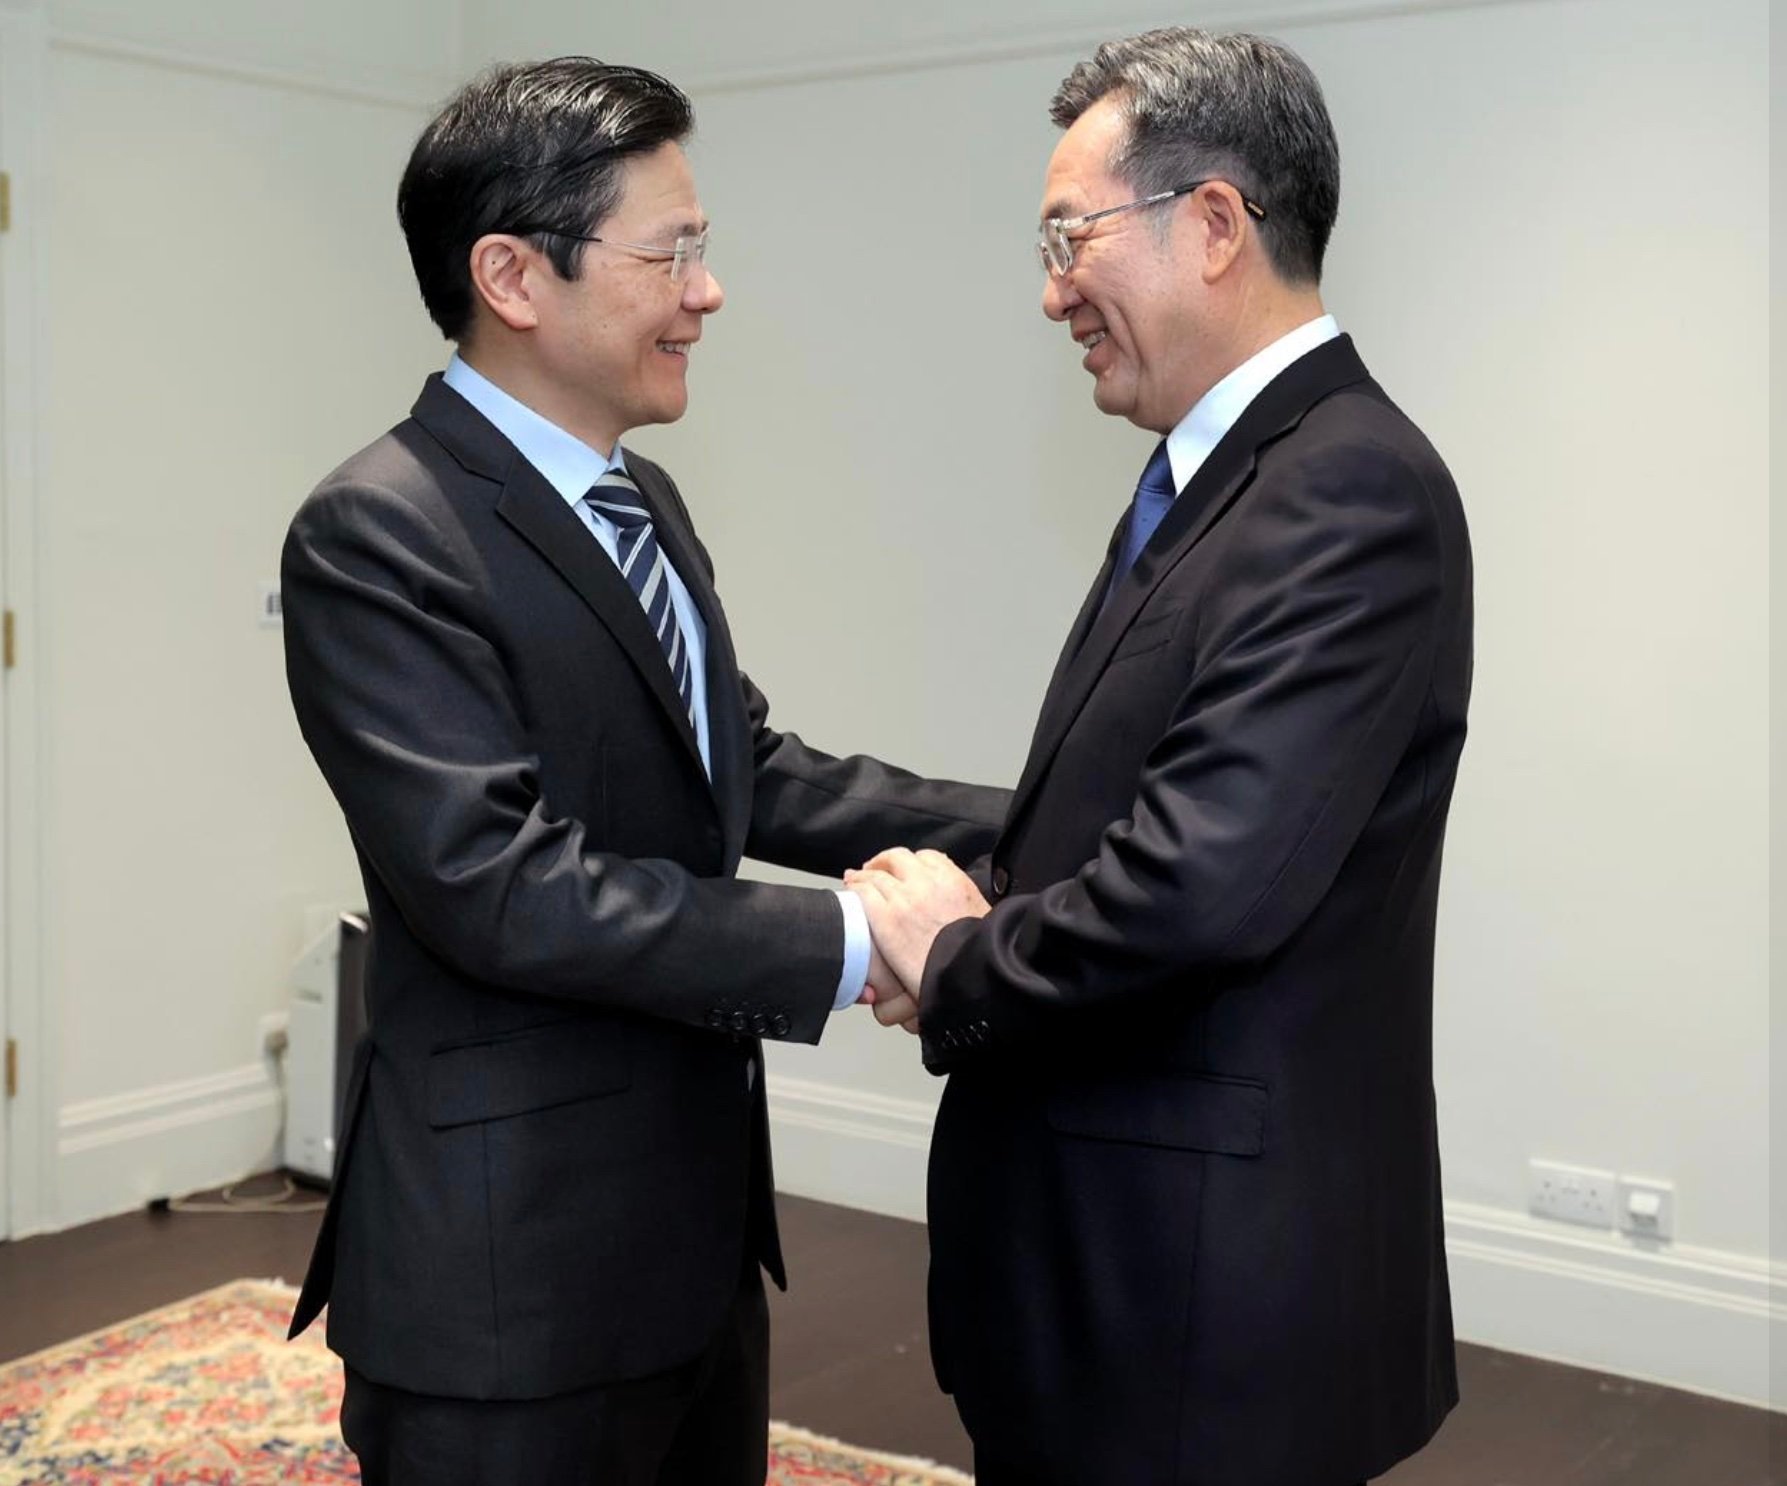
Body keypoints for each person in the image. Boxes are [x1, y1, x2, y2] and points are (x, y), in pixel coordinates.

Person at [279, 57, 1007, 1486]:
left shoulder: (640, 497)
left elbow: (750, 768)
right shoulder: (377, 533)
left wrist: (1041, 816)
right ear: (513, 275)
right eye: (671, 250)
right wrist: (860, 936)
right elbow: (501, 886)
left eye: (704, 248)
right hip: (506, 1281)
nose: (706, 290)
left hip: (686, 1243)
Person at [850, 27, 1472, 1486]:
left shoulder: (1349, 492)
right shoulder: (1218, 474)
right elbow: (1114, 812)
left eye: (1072, 235)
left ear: (1211, 225)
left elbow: (1195, 883)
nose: (1052, 286)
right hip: (1120, 1283)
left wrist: (954, 961)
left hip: (1202, 1308)